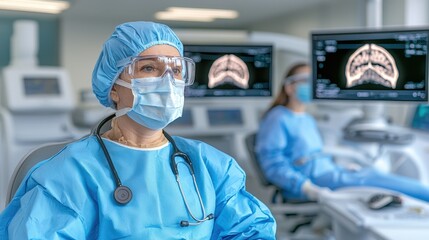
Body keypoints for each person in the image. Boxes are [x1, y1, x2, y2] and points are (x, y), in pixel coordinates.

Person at [0, 21, 276, 239]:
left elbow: (251, 231)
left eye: (177, 70)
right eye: (148, 68)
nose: (167, 81)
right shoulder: (72, 173)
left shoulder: (210, 166)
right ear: (114, 88)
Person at [255, 62, 429, 202]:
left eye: (313, 81)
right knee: (378, 182)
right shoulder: (277, 118)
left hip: (329, 173)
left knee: (372, 174)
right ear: (289, 87)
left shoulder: (306, 118)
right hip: (312, 182)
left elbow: (315, 154)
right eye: (305, 80)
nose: (311, 85)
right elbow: (273, 165)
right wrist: (304, 186)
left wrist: (340, 167)